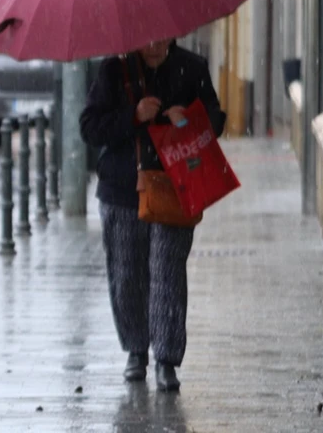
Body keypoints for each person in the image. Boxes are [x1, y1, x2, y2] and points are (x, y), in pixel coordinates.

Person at [79, 38, 225, 392]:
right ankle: (136, 351)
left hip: (175, 187)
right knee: (127, 274)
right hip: (122, 190)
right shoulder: (114, 71)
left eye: (163, 39)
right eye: (149, 40)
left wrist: (189, 119)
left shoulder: (192, 68)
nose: (156, 46)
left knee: (167, 272)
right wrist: (133, 116)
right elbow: (91, 128)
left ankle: (166, 360)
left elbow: (216, 122)